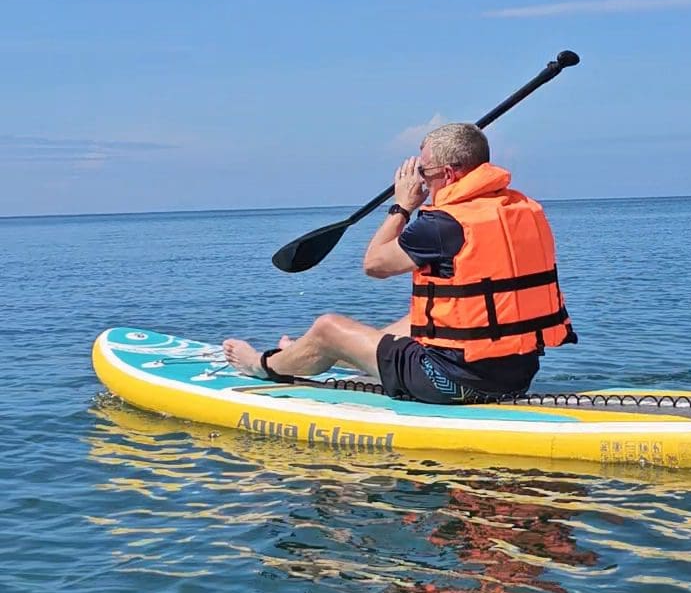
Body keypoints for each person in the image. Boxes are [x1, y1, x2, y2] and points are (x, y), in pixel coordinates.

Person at [222, 122, 575, 403]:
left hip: (452, 384)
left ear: (449, 175)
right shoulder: (521, 209)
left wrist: (402, 206)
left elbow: (374, 264)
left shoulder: (442, 224)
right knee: (423, 317)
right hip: (517, 375)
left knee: (328, 326)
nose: (420, 180)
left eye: (424, 172)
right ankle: (313, 353)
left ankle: (261, 364)